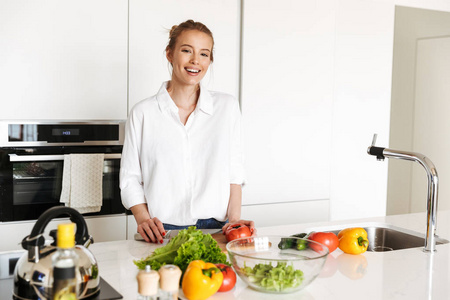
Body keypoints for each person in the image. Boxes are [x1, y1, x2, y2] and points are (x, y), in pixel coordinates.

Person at [120, 20, 255, 243]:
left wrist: (235, 222)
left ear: (210, 60)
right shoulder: (143, 113)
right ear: (169, 54)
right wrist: (143, 219)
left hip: (218, 227)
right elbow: (130, 179)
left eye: (204, 54)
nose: (195, 61)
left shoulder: (227, 107)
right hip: (163, 230)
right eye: (186, 51)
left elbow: (234, 172)